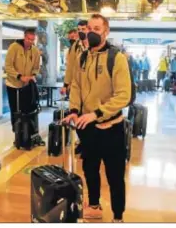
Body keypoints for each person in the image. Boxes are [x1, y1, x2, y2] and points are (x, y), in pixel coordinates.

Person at [63, 14, 132, 223]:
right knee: (90, 169)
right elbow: (75, 85)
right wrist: (74, 110)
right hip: (88, 128)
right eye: (89, 28)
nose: (91, 31)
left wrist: (97, 114)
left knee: (115, 176)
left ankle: (118, 216)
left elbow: (123, 95)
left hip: (111, 128)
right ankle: (94, 206)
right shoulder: (82, 57)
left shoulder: (116, 58)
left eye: (97, 28)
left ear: (106, 31)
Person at [5, 28, 40, 131]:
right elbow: (8, 66)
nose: (30, 42)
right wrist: (20, 76)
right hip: (13, 85)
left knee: (27, 109)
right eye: (29, 39)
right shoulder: (14, 47)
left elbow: (36, 67)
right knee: (15, 110)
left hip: (27, 85)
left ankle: (27, 132)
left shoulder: (35, 51)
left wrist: (32, 75)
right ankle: (17, 132)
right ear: (24, 37)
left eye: (32, 40)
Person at [61, 20, 89, 95]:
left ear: (88, 29)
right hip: (77, 85)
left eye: (83, 29)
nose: (81, 31)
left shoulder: (94, 45)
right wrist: (65, 85)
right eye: (79, 29)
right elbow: (70, 66)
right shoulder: (75, 46)